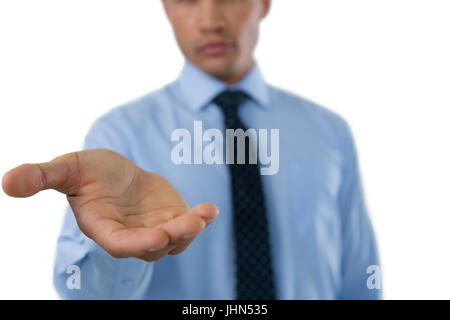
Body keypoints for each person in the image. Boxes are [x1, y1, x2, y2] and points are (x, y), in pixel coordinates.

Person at [1, 0, 381, 299]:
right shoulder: (120, 134)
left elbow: (360, 278)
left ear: (264, 3)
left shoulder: (330, 134)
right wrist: (112, 251)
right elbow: (85, 296)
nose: (210, 19)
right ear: (166, 6)